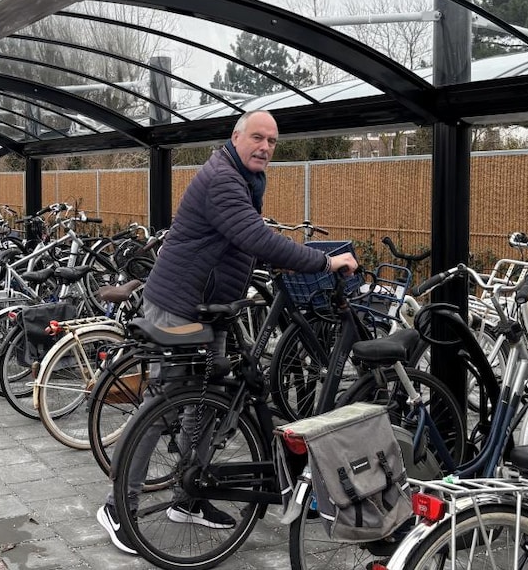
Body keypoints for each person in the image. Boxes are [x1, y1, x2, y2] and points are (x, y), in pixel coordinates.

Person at [97, 110, 358, 555]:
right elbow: (252, 236)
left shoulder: (242, 177)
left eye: (272, 142)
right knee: (165, 406)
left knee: (206, 406)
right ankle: (119, 509)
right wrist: (324, 261)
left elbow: (240, 240)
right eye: (257, 137)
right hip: (180, 306)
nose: (265, 147)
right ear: (235, 137)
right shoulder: (222, 177)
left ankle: (188, 499)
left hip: (207, 307)